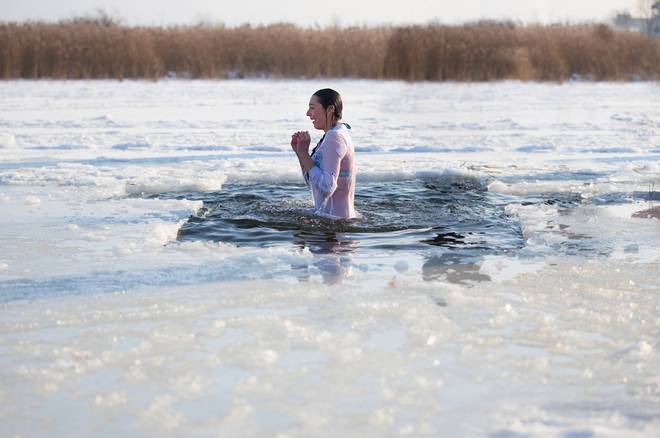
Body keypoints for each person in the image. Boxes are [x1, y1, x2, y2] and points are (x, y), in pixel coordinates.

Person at [290, 88, 358, 219]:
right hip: (333, 219)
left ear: (330, 109)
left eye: (312, 108)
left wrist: (304, 155)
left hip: (335, 224)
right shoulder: (332, 135)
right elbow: (313, 184)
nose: (308, 113)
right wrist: (300, 153)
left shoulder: (335, 137)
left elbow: (327, 188)